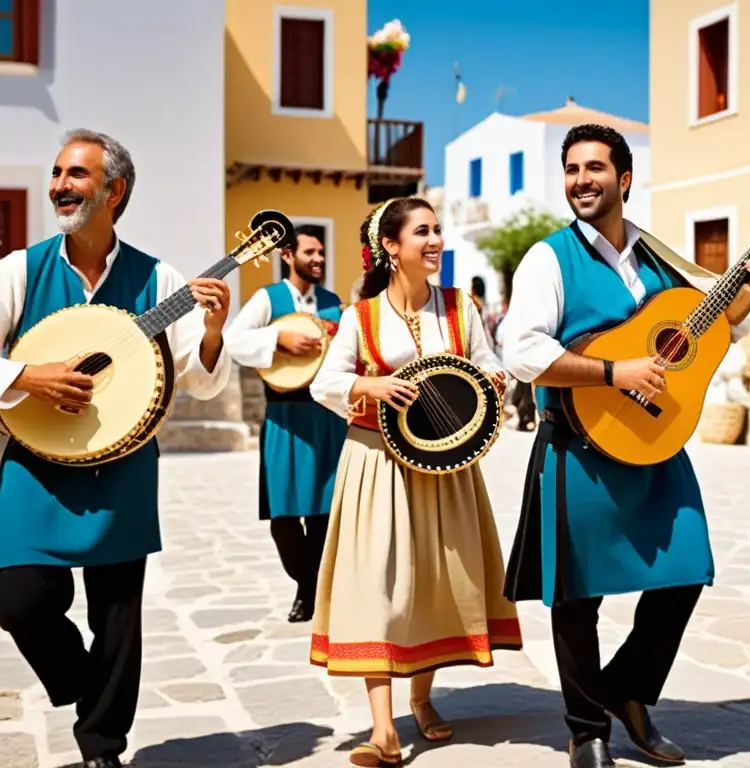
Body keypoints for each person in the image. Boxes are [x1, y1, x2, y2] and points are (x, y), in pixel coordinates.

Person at [500, 123, 750, 768]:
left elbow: (703, 335)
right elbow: (522, 351)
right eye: (571, 169)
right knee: (577, 598)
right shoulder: (549, 258)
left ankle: (627, 691)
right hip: (581, 449)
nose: (580, 180)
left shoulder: (659, 260)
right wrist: (609, 372)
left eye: (594, 168)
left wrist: (745, 298)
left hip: (655, 443)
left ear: (624, 179)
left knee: (688, 569)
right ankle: (586, 729)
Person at [0, 130, 232, 768]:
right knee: (15, 595)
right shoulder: (20, 270)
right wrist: (27, 376)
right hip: (35, 460)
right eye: (55, 172)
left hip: (123, 465)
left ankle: (102, 746)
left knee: (117, 616)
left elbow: (204, 380)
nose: (59, 185)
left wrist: (212, 329)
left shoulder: (159, 279)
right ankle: (78, 682)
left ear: (114, 189)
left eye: (75, 173)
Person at [308, 196, 522, 767]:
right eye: (422, 232)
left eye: (438, 230)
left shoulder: (461, 307)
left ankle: (422, 703)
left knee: (429, 583)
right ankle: (383, 730)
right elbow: (324, 382)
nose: (435, 241)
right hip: (376, 465)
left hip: (445, 468)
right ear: (391, 247)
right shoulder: (360, 317)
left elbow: (488, 360)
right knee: (378, 587)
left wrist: (495, 380)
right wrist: (369, 387)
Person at [224, 225, 348, 623]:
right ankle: (306, 581)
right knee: (283, 514)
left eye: (321, 253)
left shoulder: (333, 302)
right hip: (284, 416)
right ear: (288, 256)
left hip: (327, 418)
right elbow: (234, 340)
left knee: (324, 512)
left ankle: (312, 591)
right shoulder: (267, 299)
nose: (319, 260)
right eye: (310, 253)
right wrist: (278, 339)